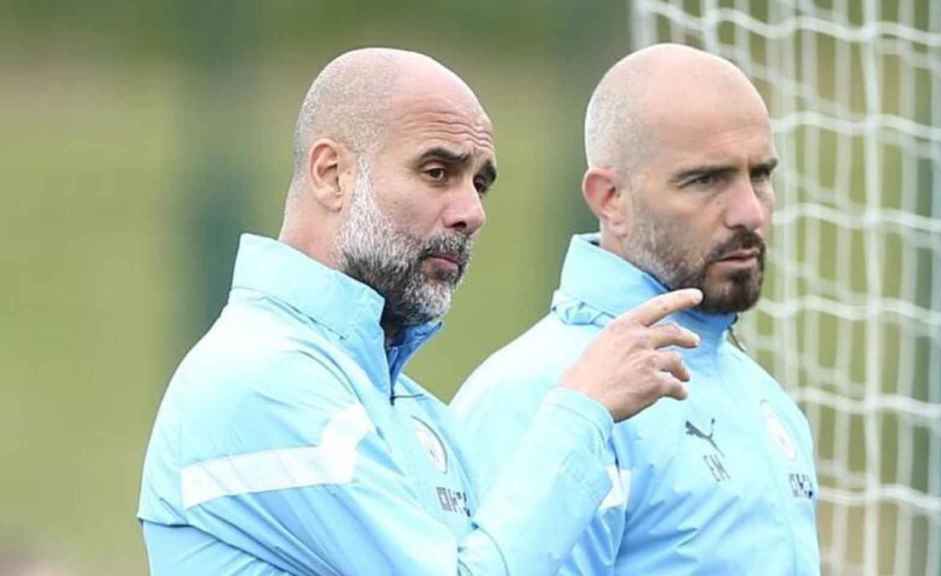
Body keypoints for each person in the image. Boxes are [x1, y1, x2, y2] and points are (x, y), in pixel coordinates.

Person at [137, 47, 706, 576]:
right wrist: (583, 411)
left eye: (479, 183)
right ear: (331, 174)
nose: (471, 212)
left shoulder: (415, 411)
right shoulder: (260, 378)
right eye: (437, 172)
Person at [452, 44, 821, 574]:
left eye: (760, 175)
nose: (749, 211)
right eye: (705, 180)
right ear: (610, 199)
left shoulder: (766, 402)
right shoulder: (537, 396)